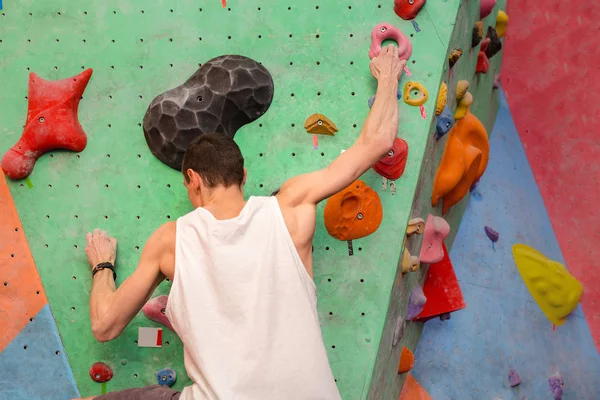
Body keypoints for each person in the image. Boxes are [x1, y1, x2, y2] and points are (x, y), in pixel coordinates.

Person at [75, 45, 404, 400]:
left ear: (193, 180)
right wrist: (388, 76)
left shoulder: (171, 240)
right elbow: (378, 142)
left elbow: (105, 325)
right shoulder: (290, 208)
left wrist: (103, 265)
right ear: (243, 175)